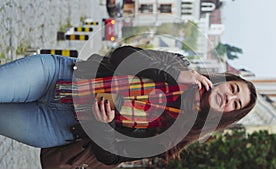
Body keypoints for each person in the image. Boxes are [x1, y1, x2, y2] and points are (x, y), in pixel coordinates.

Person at [0, 45, 257, 168]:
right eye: (233, 90)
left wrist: (105, 125)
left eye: (235, 104)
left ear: (227, 115)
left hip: (57, 125)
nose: (229, 98)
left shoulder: (174, 137)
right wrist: (174, 74)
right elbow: (122, 55)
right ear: (224, 81)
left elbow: (112, 156)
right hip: (59, 75)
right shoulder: (180, 65)